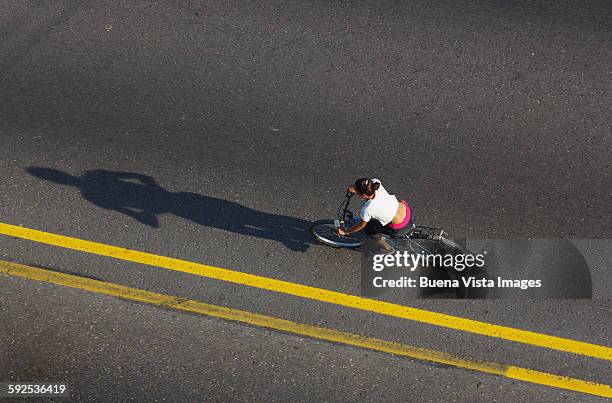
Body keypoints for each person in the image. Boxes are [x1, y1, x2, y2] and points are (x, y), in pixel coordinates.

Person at [336, 178, 414, 253]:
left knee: (368, 228)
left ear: (363, 195)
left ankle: (388, 248)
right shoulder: (376, 182)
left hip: (401, 228)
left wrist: (346, 232)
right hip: (408, 212)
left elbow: (360, 226)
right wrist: (355, 188)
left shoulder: (368, 209)